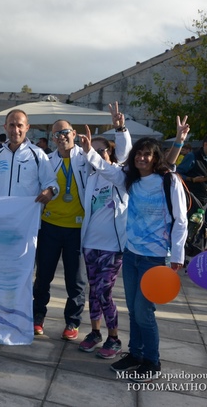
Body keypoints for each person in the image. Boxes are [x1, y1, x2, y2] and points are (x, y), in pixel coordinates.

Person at [84, 118, 189, 383]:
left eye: (147, 154)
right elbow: (107, 170)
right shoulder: (130, 181)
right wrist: (89, 152)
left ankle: (152, 362)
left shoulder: (169, 181)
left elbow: (181, 220)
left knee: (144, 312)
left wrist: (177, 255)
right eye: (138, 153)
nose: (142, 157)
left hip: (155, 258)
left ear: (155, 158)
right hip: (131, 254)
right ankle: (135, 354)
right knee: (133, 308)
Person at [31, 102, 130, 340]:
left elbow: (122, 158)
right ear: (52, 138)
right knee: (43, 277)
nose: (62, 136)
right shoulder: (45, 160)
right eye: (57, 134)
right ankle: (37, 317)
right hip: (50, 227)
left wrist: (120, 129)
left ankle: (72, 322)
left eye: (66, 132)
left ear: (74, 134)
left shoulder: (87, 157)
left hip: (77, 230)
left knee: (75, 281)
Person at [76, 135, 127, 359]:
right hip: (90, 243)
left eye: (101, 150)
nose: (96, 154)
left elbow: (126, 150)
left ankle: (114, 339)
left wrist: (121, 129)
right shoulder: (91, 178)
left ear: (111, 152)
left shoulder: (120, 175)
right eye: (92, 150)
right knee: (94, 291)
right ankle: (95, 333)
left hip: (112, 246)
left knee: (104, 291)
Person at [0, 109, 58, 200]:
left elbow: (51, 183)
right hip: (0, 208)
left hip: (26, 209)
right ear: (5, 127)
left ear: (27, 127)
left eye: (20, 125)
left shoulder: (38, 154)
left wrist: (50, 191)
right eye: (11, 125)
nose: (15, 130)